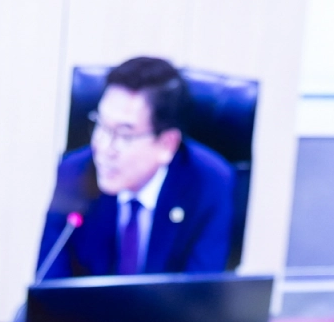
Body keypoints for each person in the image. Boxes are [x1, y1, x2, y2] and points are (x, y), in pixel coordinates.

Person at [35, 57, 236, 280]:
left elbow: (202, 292)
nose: (104, 147)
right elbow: (49, 283)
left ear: (167, 144)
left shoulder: (210, 184)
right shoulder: (74, 175)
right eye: (101, 125)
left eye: (124, 135)